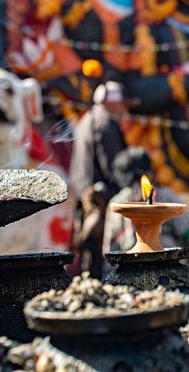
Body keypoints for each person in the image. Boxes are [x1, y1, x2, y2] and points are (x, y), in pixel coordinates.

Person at [70, 80, 127, 276]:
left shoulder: (86, 119)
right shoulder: (106, 124)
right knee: (100, 256)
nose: (123, 109)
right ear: (111, 103)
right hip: (100, 200)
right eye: (121, 104)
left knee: (89, 256)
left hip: (85, 197)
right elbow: (113, 168)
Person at [104, 147, 189, 253]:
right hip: (164, 258)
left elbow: (108, 248)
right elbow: (184, 228)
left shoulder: (116, 201)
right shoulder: (164, 195)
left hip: (126, 261)